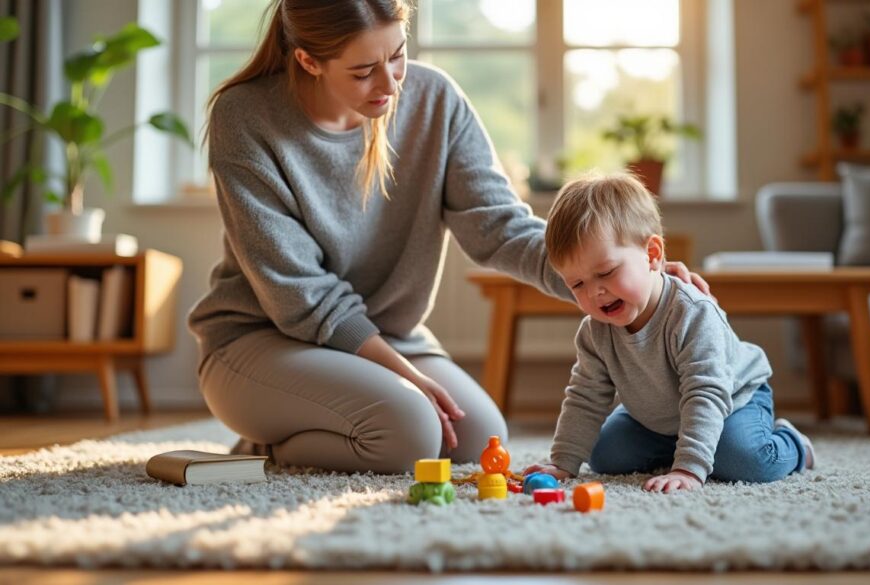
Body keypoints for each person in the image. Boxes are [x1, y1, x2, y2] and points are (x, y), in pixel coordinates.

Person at [186, 0, 710, 474]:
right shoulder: (245, 116)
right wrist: (406, 378)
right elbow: (298, 293)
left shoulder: (435, 100)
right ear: (308, 61)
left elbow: (500, 227)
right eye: (364, 70)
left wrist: (626, 280)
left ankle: (330, 423)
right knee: (409, 430)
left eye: (398, 55)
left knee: (482, 438)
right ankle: (267, 446)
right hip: (259, 341)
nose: (390, 84)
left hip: (390, 337)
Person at [523, 173, 815, 493]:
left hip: (731, 400)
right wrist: (562, 461)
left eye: (606, 273)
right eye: (577, 284)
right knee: (602, 454)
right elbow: (585, 396)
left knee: (745, 460)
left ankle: (793, 443)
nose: (595, 293)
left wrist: (688, 468)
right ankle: (680, 444)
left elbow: (707, 392)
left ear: (652, 254)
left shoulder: (692, 314)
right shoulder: (595, 332)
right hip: (657, 417)